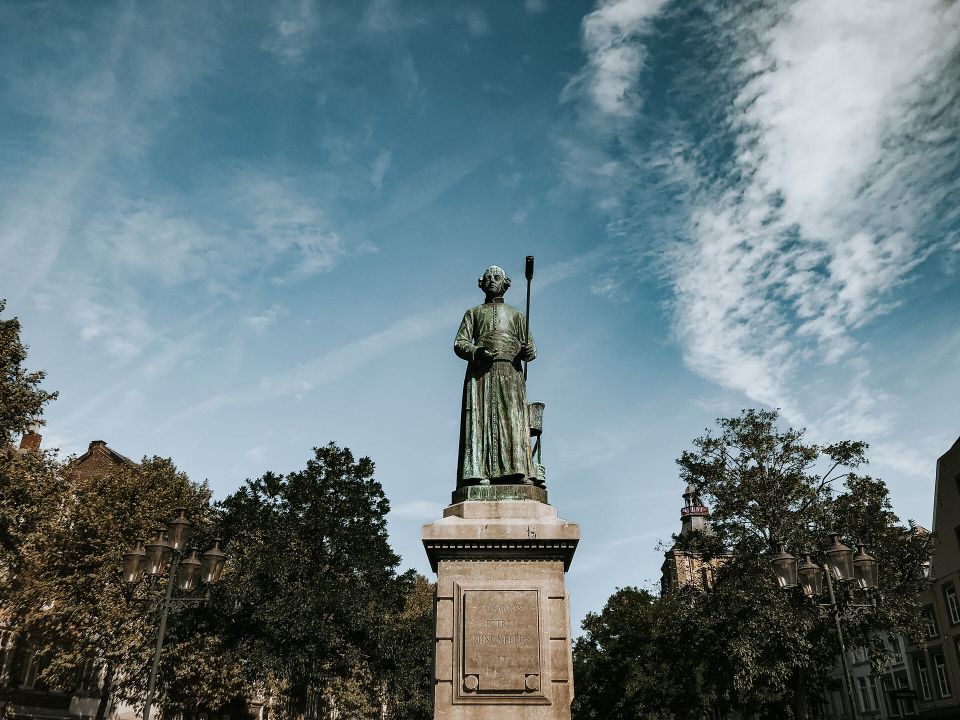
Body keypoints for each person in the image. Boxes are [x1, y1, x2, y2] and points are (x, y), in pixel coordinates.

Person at [454, 265, 537, 487]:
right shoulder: (473, 313)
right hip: (481, 374)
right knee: (480, 421)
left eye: (497, 277)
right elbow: (460, 343)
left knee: (511, 421)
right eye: (488, 277)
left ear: (506, 283)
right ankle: (479, 472)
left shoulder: (518, 315)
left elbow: (531, 350)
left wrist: (528, 351)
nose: (492, 280)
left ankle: (516, 472)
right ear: (481, 283)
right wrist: (476, 351)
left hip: (510, 374)